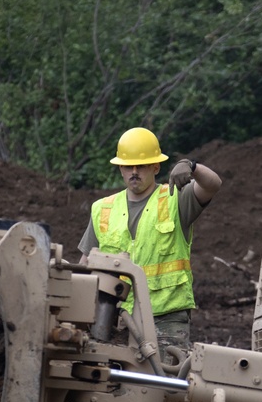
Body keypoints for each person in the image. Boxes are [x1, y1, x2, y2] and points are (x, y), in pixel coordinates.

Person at [78, 126, 223, 355]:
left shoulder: (175, 200)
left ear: (155, 167)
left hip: (166, 320)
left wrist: (192, 167)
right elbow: (85, 265)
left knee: (163, 386)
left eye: (141, 166)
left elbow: (213, 185)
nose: (134, 172)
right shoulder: (102, 209)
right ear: (120, 169)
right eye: (128, 166)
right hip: (117, 321)